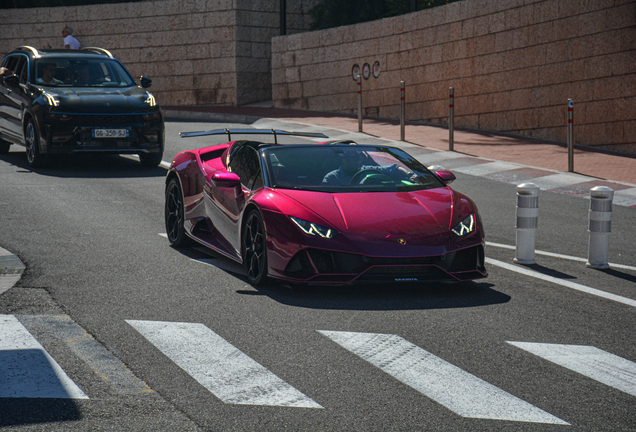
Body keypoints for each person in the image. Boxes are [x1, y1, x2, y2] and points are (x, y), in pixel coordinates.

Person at [322, 150, 417, 186]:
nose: (351, 161)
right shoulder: (332, 177)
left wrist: (410, 176)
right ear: (343, 160)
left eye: (355, 158)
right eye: (348, 158)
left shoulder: (368, 169)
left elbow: (394, 168)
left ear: (361, 159)